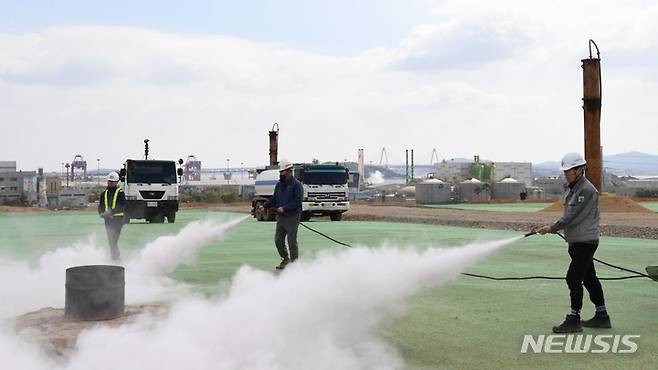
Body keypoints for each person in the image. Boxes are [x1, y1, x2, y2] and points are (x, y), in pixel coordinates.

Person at [537, 152, 610, 333]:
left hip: (585, 242)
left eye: (569, 171)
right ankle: (602, 316)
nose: (566, 174)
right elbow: (570, 216)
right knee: (589, 278)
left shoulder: (585, 190)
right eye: (565, 171)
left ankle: (574, 318)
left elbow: (571, 216)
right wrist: (554, 227)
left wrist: (552, 227)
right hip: (578, 241)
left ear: (579, 170)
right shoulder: (574, 188)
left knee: (573, 278)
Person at [260, 160, 303, 270]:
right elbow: (274, 199)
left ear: (289, 171)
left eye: (282, 172)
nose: (281, 174)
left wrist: (284, 208)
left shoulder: (297, 185)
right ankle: (285, 258)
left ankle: (295, 265)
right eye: (280, 172)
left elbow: (297, 202)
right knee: (278, 241)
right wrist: (264, 206)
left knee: (291, 241)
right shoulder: (279, 185)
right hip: (281, 218)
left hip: (292, 217)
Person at [98, 171, 126, 262]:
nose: (110, 183)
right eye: (109, 181)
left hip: (118, 220)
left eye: (112, 181)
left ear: (116, 182)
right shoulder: (104, 194)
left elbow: (122, 207)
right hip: (108, 221)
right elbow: (101, 206)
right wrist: (102, 214)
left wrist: (110, 212)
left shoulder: (120, 193)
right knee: (111, 241)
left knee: (113, 240)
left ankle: (116, 258)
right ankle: (115, 258)